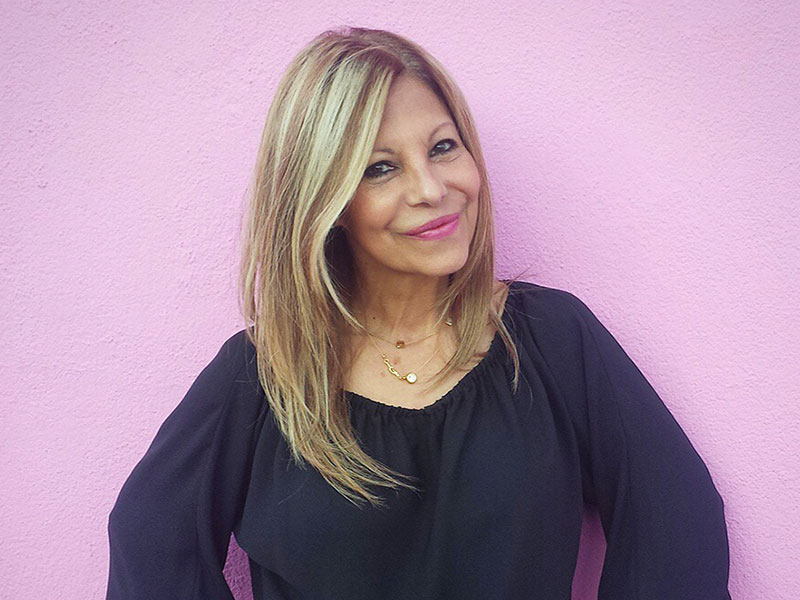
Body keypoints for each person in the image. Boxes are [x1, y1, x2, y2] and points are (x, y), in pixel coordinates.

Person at [105, 26, 731, 599]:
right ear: (327, 199)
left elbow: (675, 519)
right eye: (381, 168)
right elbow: (151, 549)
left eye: (442, 147)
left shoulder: (552, 340)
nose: (431, 189)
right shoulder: (263, 375)